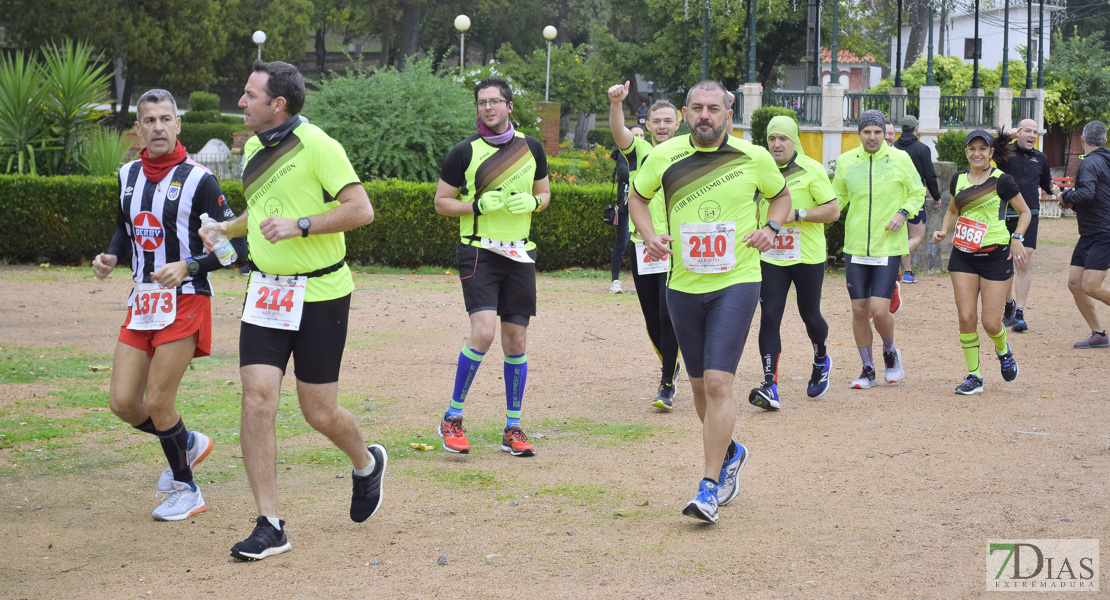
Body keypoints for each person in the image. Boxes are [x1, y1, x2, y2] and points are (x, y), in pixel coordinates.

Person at [208, 60, 386, 561]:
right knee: (257, 399)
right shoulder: (253, 151)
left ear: (277, 103)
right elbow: (263, 214)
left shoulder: (319, 146)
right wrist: (227, 230)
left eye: (249, 94)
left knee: (319, 411)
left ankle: (366, 462)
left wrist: (303, 225)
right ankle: (270, 523)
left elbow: (361, 209)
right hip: (266, 292)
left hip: (322, 293)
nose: (241, 101)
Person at [629, 80, 791, 523]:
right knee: (700, 390)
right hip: (682, 285)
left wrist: (772, 230)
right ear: (685, 113)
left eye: (713, 108)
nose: (705, 115)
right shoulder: (664, 156)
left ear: (727, 114)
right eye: (697, 108)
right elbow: (637, 199)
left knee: (719, 383)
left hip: (737, 280)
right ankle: (732, 450)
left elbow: (781, 197)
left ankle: (708, 487)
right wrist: (648, 235)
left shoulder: (753, 157)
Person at [93, 88, 245, 522]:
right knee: (124, 402)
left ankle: (186, 488)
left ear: (178, 125)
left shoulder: (201, 180)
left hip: (186, 301)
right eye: (149, 120)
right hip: (142, 302)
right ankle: (187, 442)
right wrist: (110, 255)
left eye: (165, 119)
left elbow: (235, 248)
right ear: (137, 129)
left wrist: (189, 266)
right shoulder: (126, 176)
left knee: (159, 399)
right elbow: (127, 229)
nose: (157, 127)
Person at [433, 77, 551, 457]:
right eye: (482, 102)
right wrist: (476, 207)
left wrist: (534, 205)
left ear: (510, 106)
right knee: (483, 334)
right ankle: (452, 418)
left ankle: (513, 428)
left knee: (516, 340)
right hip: (479, 252)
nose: (488, 108)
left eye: (495, 101)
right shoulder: (463, 152)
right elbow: (441, 203)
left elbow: (544, 193)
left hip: (520, 254)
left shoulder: (532, 148)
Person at [747, 116, 840, 411]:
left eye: (783, 139)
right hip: (771, 256)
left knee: (809, 314)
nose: (776, 144)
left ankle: (821, 357)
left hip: (807, 256)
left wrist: (796, 214)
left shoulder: (811, 169)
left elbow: (833, 211)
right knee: (770, 315)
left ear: (794, 140)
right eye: (772, 138)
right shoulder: (758, 169)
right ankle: (770, 385)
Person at [931, 129, 1029, 394]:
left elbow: (1025, 212)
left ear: (991, 153)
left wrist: (1017, 236)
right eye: (972, 149)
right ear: (966, 152)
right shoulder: (959, 179)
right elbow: (953, 210)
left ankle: (1003, 350)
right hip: (963, 255)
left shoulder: (1002, 180)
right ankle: (975, 376)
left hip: (995, 256)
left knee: (990, 322)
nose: (977, 154)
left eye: (982, 149)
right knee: (965, 317)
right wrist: (944, 230)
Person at [832, 110, 925, 389]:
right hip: (855, 247)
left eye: (877, 131)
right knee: (859, 310)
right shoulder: (847, 161)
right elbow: (835, 199)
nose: (872, 137)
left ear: (885, 132)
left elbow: (917, 191)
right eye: (866, 132)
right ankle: (867, 369)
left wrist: (903, 213)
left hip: (887, 247)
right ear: (858, 134)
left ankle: (890, 353)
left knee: (879, 310)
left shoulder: (900, 158)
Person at [607, 80, 683, 410]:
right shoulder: (639, 151)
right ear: (648, 125)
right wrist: (616, 103)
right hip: (643, 246)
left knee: (669, 315)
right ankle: (673, 363)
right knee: (652, 318)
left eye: (668, 120)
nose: (663, 126)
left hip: (678, 249)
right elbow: (618, 131)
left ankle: (666, 382)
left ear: (678, 122)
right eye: (657, 121)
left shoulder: (689, 151)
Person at [997, 119, 1062, 332]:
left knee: (1023, 261)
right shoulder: (1006, 152)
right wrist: (1010, 135)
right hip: (1006, 213)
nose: (1032, 135)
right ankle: (1008, 305)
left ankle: (1020, 312)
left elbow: (1046, 182)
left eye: (1035, 132)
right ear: (1019, 132)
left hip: (1030, 214)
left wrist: (1058, 193)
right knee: (1005, 262)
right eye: (1027, 131)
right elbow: (990, 144)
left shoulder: (1040, 158)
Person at [1060, 120, 1110, 349]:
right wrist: (1071, 201)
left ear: (1082, 140)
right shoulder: (1104, 161)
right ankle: (1098, 334)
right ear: (1105, 141)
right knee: (1075, 283)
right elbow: (1095, 196)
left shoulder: (1089, 162)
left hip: (1103, 232)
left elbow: (1087, 193)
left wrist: (1067, 196)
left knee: (1091, 286)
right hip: (1089, 234)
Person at [892, 115, 941, 283]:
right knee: (917, 237)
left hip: (895, 197)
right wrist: (936, 196)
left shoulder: (893, 148)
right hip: (914, 198)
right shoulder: (922, 148)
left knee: (902, 236)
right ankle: (892, 263)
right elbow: (930, 174)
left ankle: (907, 271)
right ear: (916, 128)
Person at [608, 147, 630, 294]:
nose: (639, 138)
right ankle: (615, 280)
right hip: (627, 207)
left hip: (650, 207)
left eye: (641, 135)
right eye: (635, 135)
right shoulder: (623, 154)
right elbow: (625, 174)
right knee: (622, 244)